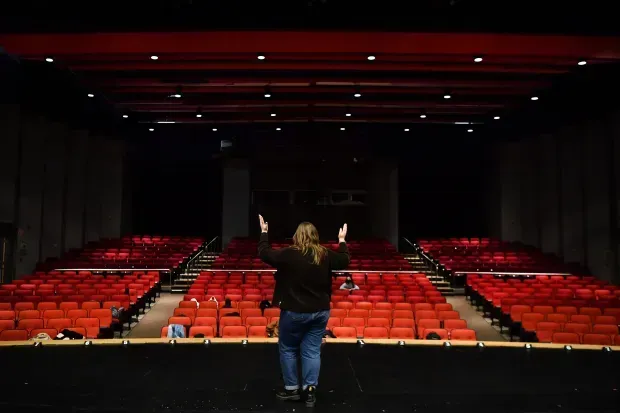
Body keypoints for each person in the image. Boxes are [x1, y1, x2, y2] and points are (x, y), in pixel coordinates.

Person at [257, 215, 349, 407]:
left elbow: (264, 253)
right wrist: (341, 241)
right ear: (315, 236)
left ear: (297, 236)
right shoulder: (324, 254)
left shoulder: (289, 254)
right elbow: (344, 260)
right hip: (320, 312)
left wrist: (264, 232)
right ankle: (310, 390)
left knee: (289, 349)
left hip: (294, 312)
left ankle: (292, 389)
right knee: (312, 351)